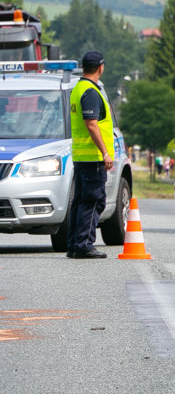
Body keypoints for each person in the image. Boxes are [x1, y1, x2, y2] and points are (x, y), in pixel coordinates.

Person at [66, 51, 113, 259]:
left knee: (80, 201)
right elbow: (91, 124)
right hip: (93, 156)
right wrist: (105, 152)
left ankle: (74, 245)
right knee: (94, 200)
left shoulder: (78, 88)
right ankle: (84, 244)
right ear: (100, 68)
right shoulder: (91, 92)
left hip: (81, 155)